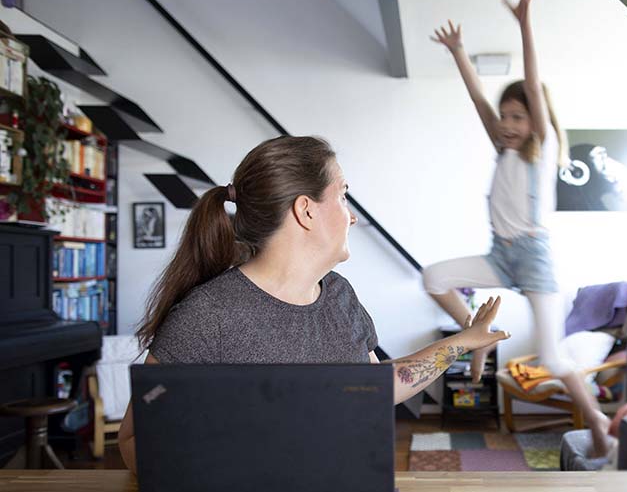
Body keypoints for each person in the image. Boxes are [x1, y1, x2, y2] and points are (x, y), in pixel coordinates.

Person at [117, 135, 510, 474]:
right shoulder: (208, 316)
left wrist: (464, 341)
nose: (352, 217)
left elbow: (378, 385)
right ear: (306, 210)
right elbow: (134, 442)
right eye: (342, 196)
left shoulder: (338, 295)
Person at [423, 0, 612, 456]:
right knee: (434, 276)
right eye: (504, 116)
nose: (507, 124)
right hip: (499, 255)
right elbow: (477, 102)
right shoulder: (502, 148)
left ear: (535, 120)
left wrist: (524, 23)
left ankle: (597, 421)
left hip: (534, 259)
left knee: (551, 356)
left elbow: (531, 83)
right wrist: (459, 53)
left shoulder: (541, 153)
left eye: (517, 117)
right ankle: (477, 335)